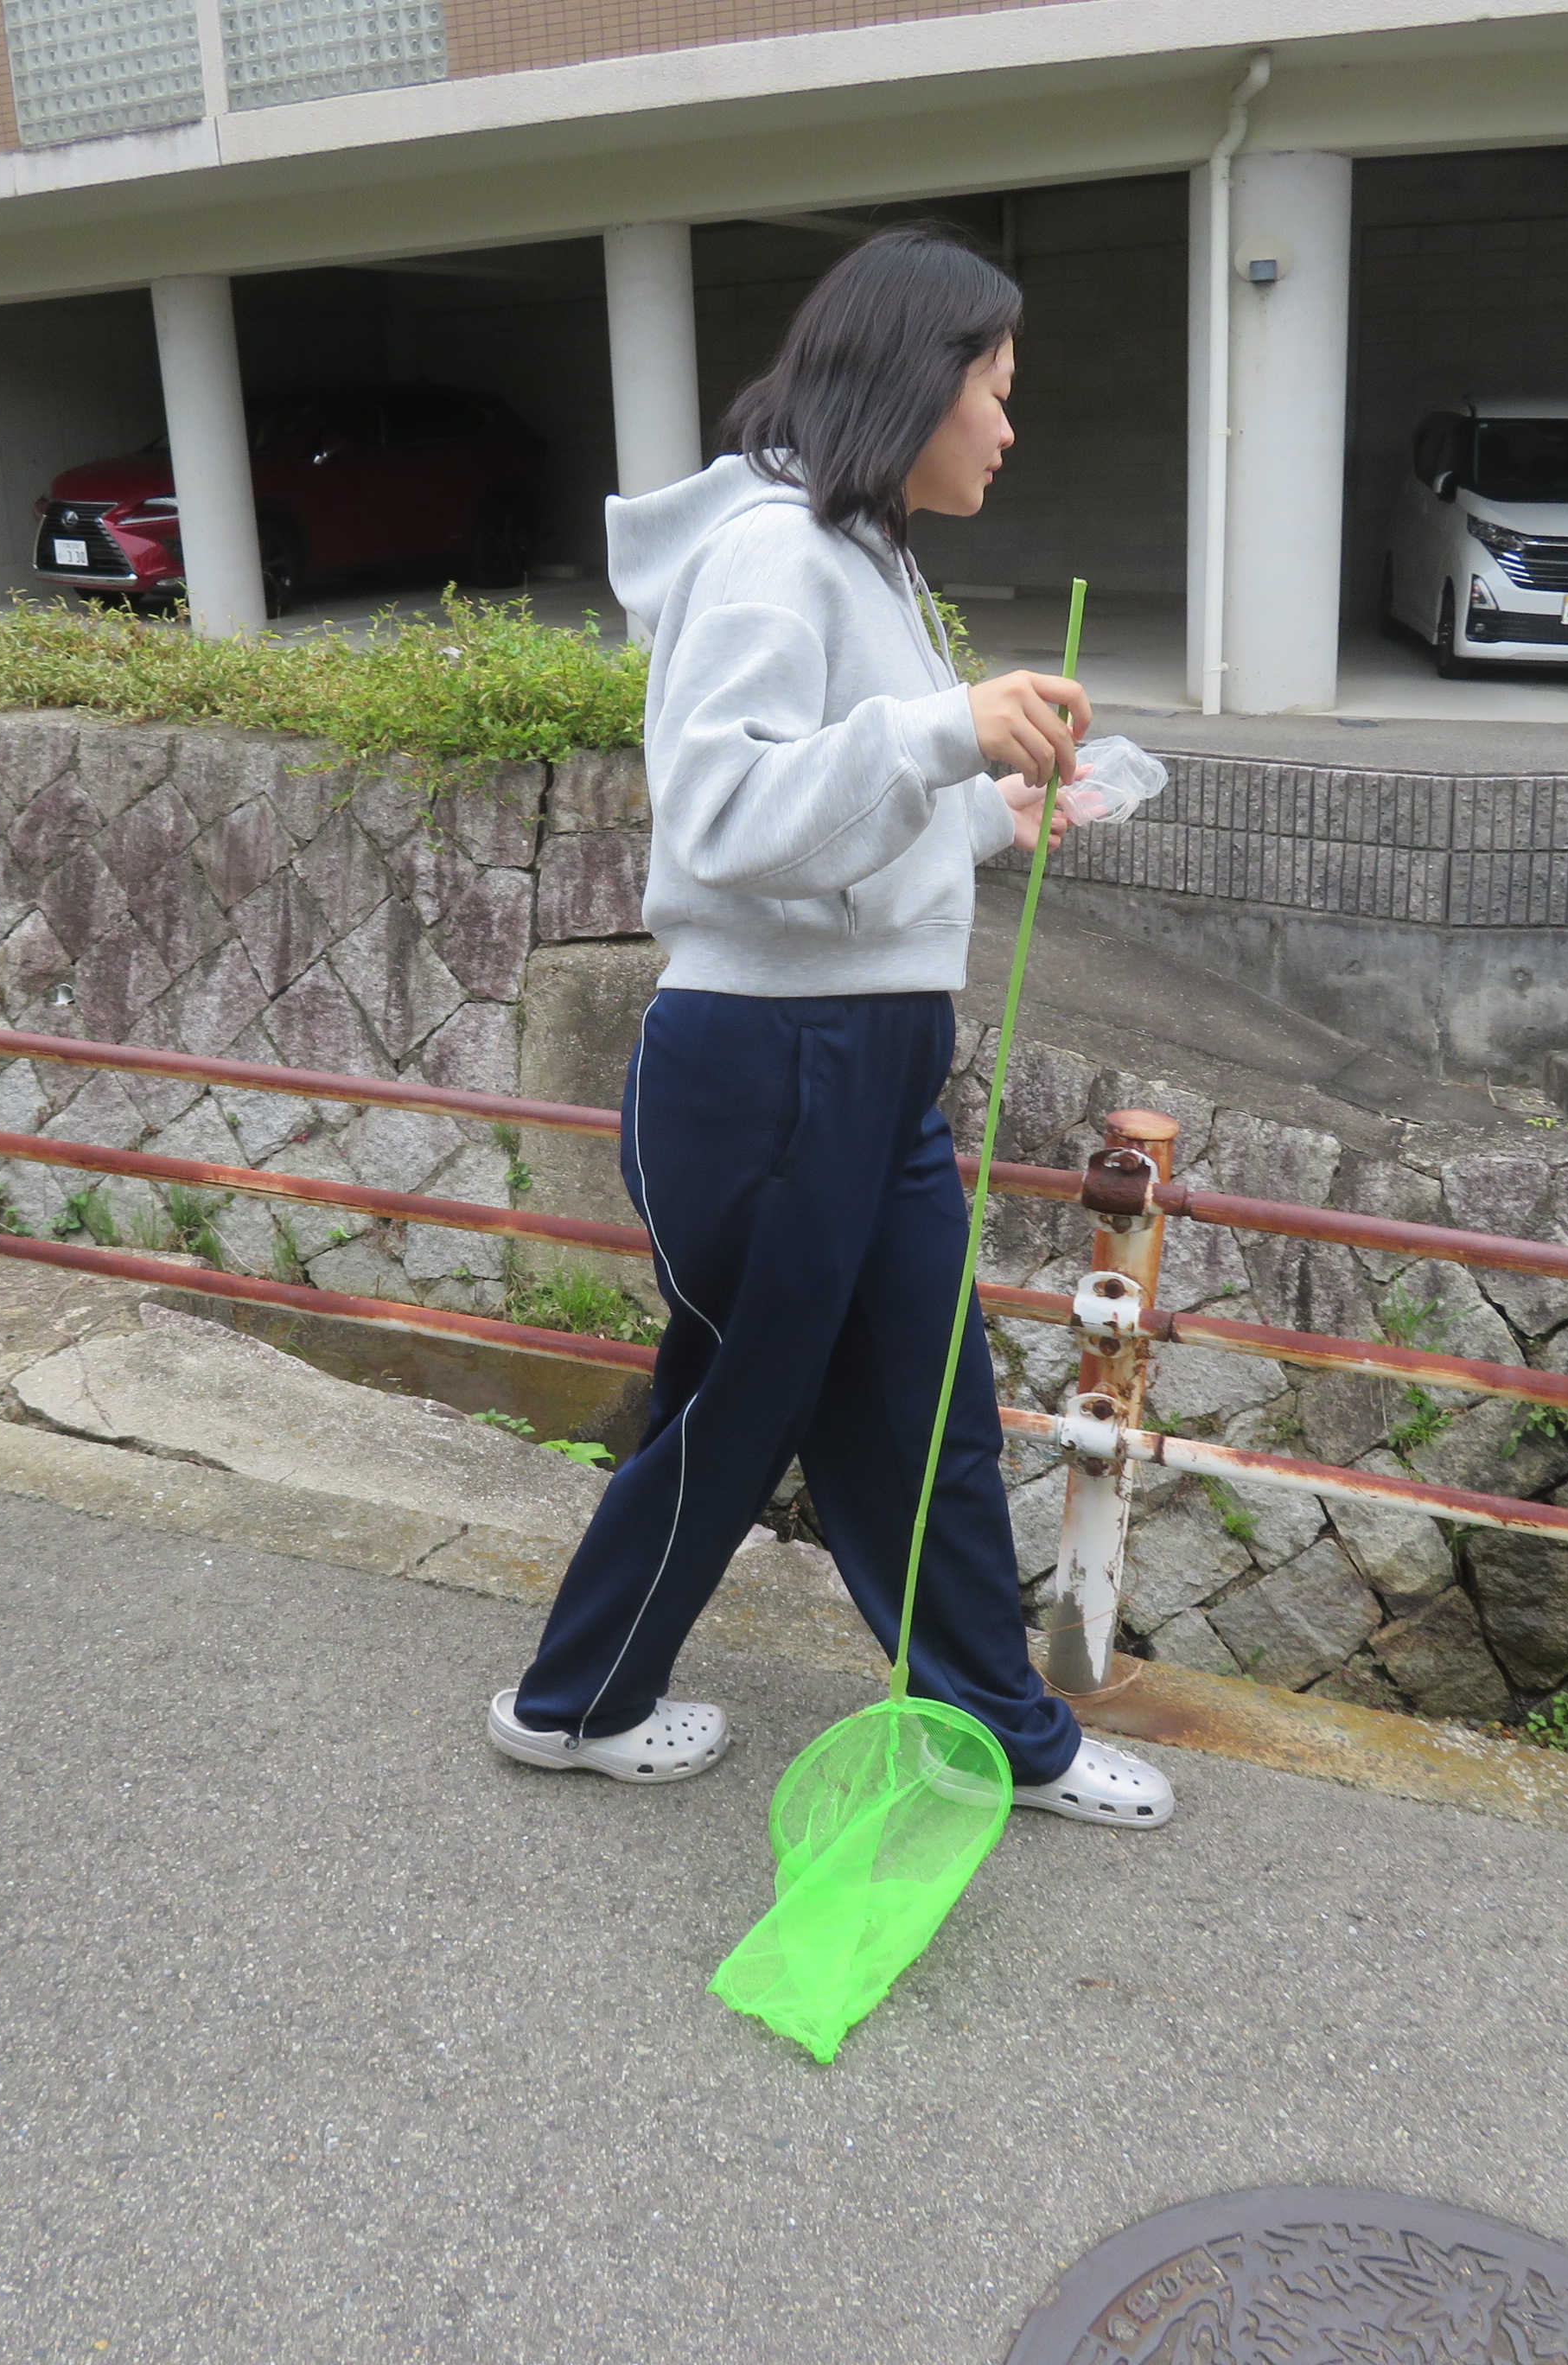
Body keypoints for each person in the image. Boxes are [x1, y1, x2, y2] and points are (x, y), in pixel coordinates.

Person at [486, 227, 1175, 1827]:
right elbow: (721, 817)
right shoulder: (775, 554)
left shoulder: (858, 553)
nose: (1008, 426)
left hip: (857, 1066)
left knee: (921, 1413)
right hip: (773, 1071)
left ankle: (1000, 1729)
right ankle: (570, 1705)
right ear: (916, 381)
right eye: (995, 388)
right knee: (742, 1416)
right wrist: (942, 730)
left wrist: (992, 806)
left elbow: (841, 822)